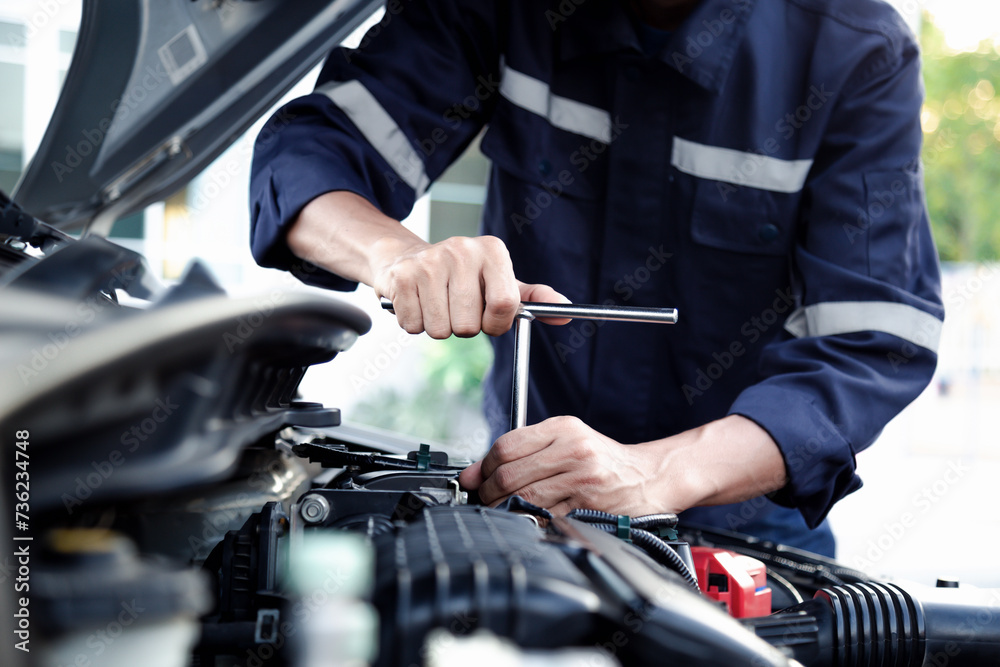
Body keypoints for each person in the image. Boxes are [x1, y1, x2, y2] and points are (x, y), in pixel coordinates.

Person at [249, 0, 943, 556]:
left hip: (745, 537)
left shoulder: (853, 49)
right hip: (528, 509)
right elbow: (305, 160)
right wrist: (395, 255)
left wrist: (655, 473)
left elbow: (872, 341)